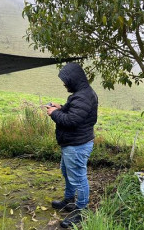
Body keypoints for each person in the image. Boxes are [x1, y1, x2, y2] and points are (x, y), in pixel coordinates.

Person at [45, 62, 98, 228]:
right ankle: (69, 200)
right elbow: (72, 109)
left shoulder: (83, 96)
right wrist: (60, 107)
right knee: (67, 172)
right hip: (72, 144)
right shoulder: (80, 94)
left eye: (66, 80)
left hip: (77, 145)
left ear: (74, 79)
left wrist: (54, 113)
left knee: (78, 178)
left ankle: (81, 211)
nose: (64, 84)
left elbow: (71, 120)